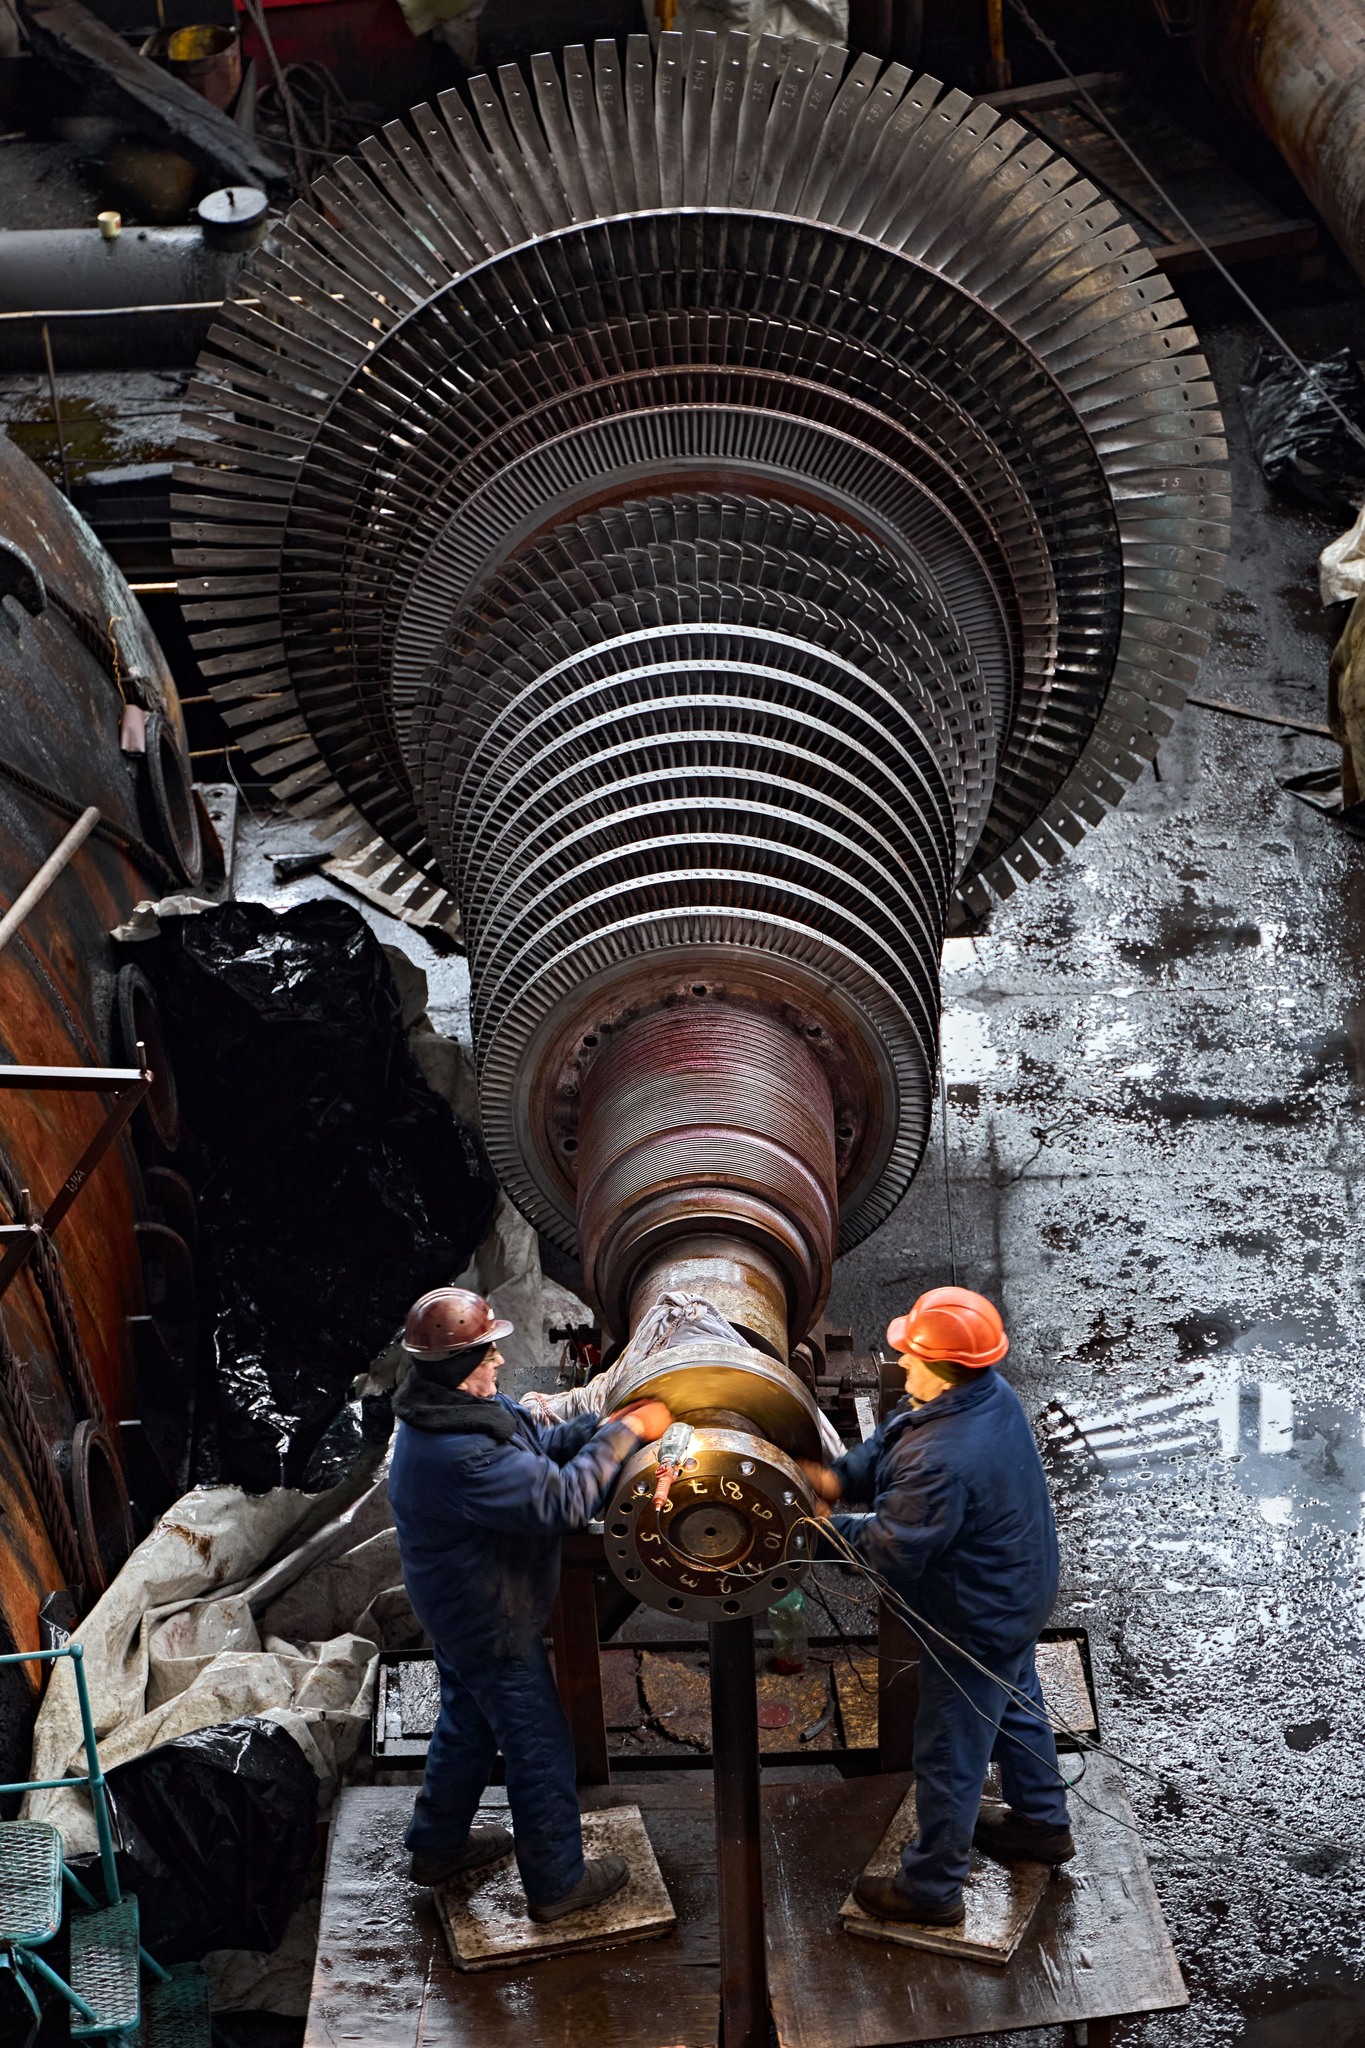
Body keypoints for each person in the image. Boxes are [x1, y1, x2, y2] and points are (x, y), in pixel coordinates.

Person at [388, 1285, 673, 1921]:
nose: (498, 1360)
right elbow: (563, 1501)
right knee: (538, 1745)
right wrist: (626, 1433)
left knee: (468, 1723)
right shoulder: (459, 1454)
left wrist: (600, 1428)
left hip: (455, 1607)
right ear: (460, 1366)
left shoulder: (452, 1410)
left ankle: (436, 1847)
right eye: (487, 1353)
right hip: (488, 1618)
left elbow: (535, 1447)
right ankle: (556, 1884)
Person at [802, 1285, 1072, 1926]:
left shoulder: (945, 1458)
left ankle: (932, 1889)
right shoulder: (983, 1395)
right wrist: (840, 1477)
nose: (901, 1361)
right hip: (1017, 1593)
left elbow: (893, 1548)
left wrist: (820, 1530)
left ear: (943, 1367)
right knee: (1015, 1701)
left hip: (974, 1618)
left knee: (950, 1749)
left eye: (911, 1355)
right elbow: (897, 1435)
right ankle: (1041, 1824)